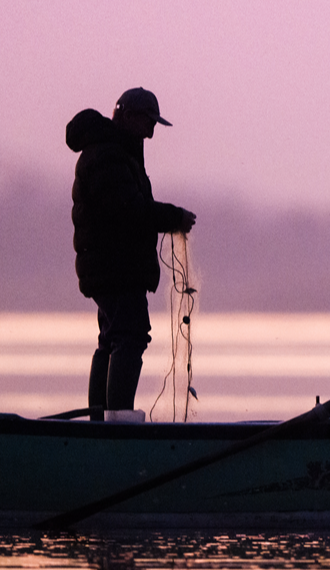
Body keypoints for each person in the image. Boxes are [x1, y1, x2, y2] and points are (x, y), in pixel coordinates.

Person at [66, 87, 196, 422]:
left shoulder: (115, 151)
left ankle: (101, 420)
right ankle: (116, 423)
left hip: (111, 268)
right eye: (147, 121)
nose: (152, 131)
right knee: (130, 336)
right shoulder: (108, 155)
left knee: (111, 339)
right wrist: (173, 217)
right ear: (126, 116)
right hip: (115, 268)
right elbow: (129, 209)